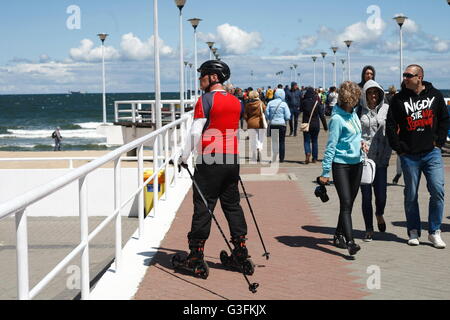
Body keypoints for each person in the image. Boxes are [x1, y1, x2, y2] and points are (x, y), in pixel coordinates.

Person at [177, 60, 251, 273]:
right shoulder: (237, 102)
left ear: (214, 77)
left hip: (210, 159)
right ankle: (240, 249)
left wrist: (184, 157)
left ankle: (196, 254)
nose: (200, 79)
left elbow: (194, 132)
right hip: (231, 159)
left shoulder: (205, 100)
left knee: (204, 206)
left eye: (203, 75)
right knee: (232, 204)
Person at [386, 64, 449, 248]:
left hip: (432, 153)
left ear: (419, 77)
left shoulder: (435, 95)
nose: (405, 78)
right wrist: (399, 148)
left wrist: (438, 143)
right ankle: (413, 231)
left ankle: (434, 231)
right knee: (411, 194)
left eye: (409, 75)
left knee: (437, 191)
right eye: (404, 75)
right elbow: (390, 125)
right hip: (409, 155)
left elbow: (444, 119)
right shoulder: (398, 99)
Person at [319, 81, 366, 256]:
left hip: (357, 163)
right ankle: (351, 242)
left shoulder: (354, 115)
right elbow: (331, 147)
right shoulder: (337, 119)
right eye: (352, 100)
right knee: (345, 202)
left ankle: (338, 234)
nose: (354, 103)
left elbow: (356, 137)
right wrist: (325, 172)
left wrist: (362, 144)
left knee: (349, 203)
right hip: (341, 165)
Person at [359, 80, 392, 241]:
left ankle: (379, 213)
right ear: (365, 95)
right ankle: (369, 229)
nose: (373, 96)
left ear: (380, 94)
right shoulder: (359, 110)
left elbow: (394, 128)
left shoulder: (387, 109)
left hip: (381, 158)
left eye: (376, 92)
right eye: (370, 93)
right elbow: (353, 130)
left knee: (381, 196)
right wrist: (358, 142)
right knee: (366, 196)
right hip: (364, 160)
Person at [300, 87, 328, 164]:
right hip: (316, 125)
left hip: (306, 124)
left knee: (306, 141)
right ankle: (314, 158)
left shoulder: (304, 102)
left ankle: (308, 153)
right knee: (315, 141)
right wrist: (325, 126)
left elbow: (300, 110)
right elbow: (322, 116)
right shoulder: (317, 103)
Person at [265, 88, 291, 163]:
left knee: (274, 142)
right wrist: (284, 119)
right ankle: (281, 158)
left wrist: (270, 118)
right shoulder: (284, 104)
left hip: (273, 124)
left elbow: (266, 114)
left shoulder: (270, 103)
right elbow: (288, 116)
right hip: (282, 125)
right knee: (282, 142)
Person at [244, 90, 267, 162]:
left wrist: (248, 120)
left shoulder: (247, 105)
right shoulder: (261, 103)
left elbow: (245, 115)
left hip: (251, 123)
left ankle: (256, 150)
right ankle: (259, 148)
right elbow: (265, 110)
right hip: (260, 123)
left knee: (254, 140)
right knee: (261, 138)